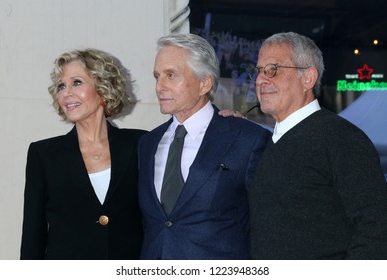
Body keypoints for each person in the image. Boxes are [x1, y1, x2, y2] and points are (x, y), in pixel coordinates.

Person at [248, 32, 387, 259]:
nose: (261, 79)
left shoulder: (343, 139)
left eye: (273, 69)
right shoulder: (266, 142)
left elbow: (377, 226)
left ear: (308, 78)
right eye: (259, 71)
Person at [137, 33, 271, 260]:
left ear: (204, 83)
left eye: (171, 75)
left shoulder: (248, 139)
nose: (160, 86)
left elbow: (267, 225)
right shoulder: (147, 144)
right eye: (157, 76)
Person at [20, 48, 146, 259]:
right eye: (61, 86)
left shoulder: (140, 143)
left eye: (76, 82)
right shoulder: (43, 154)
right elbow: (33, 233)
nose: (66, 93)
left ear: (103, 87)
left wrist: (221, 120)